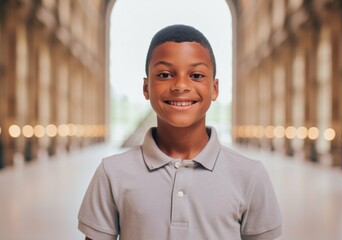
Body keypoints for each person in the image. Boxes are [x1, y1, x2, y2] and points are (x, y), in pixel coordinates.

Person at [78, 24, 282, 240]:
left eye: (196, 75)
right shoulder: (111, 173)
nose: (180, 86)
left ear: (214, 89)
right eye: (165, 75)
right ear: (147, 88)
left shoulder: (250, 175)